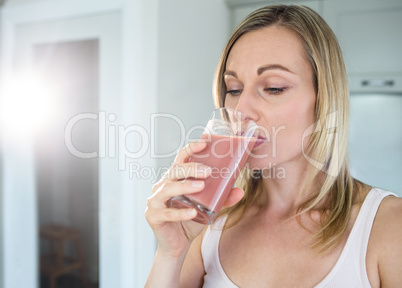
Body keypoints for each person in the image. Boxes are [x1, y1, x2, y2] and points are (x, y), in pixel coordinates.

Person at [145, 4, 402, 287]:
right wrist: (171, 253)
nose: (242, 109)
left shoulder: (389, 226)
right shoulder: (207, 223)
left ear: (324, 98)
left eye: (274, 87)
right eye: (233, 89)